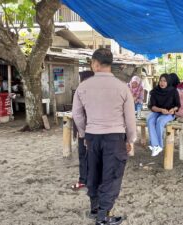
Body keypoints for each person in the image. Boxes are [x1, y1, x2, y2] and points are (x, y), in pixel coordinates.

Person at [72, 48, 136, 225]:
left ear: (96, 64)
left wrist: (85, 134)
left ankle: (94, 209)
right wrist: (130, 140)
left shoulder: (83, 87)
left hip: (92, 136)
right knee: (112, 176)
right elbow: (130, 119)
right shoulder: (122, 87)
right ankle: (104, 216)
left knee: (93, 173)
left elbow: (77, 115)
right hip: (115, 138)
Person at [147, 74, 181, 156]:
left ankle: (158, 145)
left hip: (169, 113)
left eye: (164, 81)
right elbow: (152, 106)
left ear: (168, 82)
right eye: (161, 81)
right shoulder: (155, 91)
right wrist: (161, 110)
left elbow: (178, 105)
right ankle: (156, 146)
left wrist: (173, 110)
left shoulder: (173, 91)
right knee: (150, 120)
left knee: (160, 121)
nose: (162, 83)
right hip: (157, 111)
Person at [71, 70, 94, 191]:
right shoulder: (81, 91)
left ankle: (87, 180)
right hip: (86, 130)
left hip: (89, 130)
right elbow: (77, 113)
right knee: (84, 155)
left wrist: (83, 133)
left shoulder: (91, 93)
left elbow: (78, 114)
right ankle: (84, 180)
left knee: (88, 155)